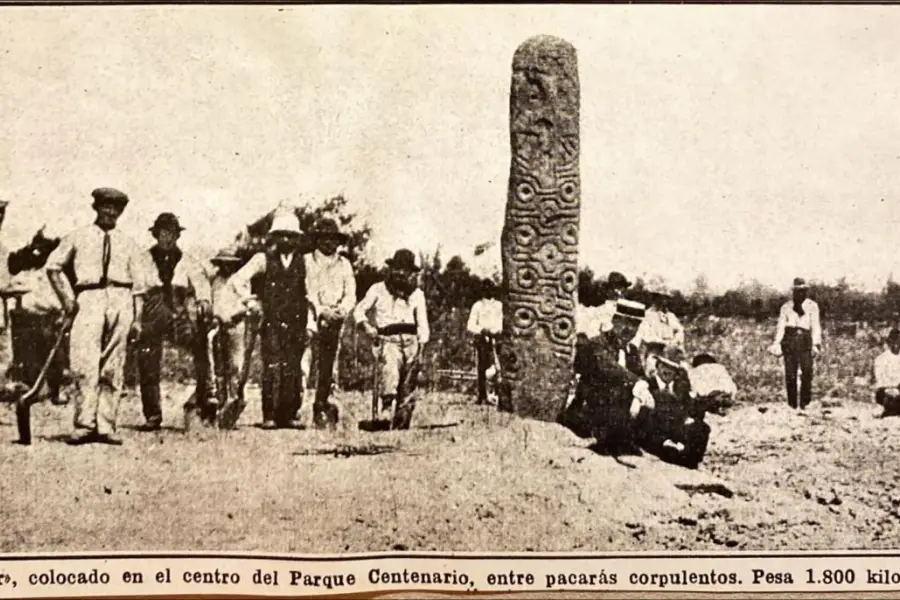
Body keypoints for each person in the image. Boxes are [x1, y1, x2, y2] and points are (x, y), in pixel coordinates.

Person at [45, 188, 146, 445]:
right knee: (84, 363)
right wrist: (67, 300)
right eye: (106, 207)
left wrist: (137, 319)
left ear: (121, 212)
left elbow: (140, 288)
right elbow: (53, 268)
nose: (110, 213)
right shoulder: (78, 237)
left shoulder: (129, 243)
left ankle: (105, 425)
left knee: (113, 366)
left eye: (116, 209)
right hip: (88, 298)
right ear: (97, 208)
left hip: (121, 298)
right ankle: (84, 424)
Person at [228, 211, 315, 430]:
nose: (286, 240)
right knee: (272, 365)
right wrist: (250, 302)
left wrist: (311, 323)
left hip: (297, 321)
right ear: (274, 237)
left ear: (297, 238)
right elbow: (238, 280)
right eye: (282, 235)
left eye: (291, 236)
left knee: (293, 366)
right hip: (272, 321)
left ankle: (290, 414)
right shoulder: (262, 259)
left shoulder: (306, 262)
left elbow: (312, 294)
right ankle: (270, 414)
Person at [133, 213, 214, 431]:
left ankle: (203, 401)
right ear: (156, 234)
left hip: (178, 311)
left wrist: (204, 302)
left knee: (200, 349)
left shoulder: (188, 260)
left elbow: (201, 284)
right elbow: (138, 292)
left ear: (178, 236)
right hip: (151, 310)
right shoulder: (143, 259)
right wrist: (138, 320)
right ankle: (152, 414)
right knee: (148, 361)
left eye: (173, 233)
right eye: (164, 233)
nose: (168, 238)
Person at [353, 248, 430, 430]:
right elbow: (359, 310)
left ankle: (402, 420)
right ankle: (386, 411)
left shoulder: (417, 294)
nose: (401, 273)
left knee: (409, 383)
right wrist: (367, 327)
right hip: (388, 340)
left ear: (411, 273)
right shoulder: (378, 289)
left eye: (406, 270)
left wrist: (421, 349)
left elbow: (423, 324)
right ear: (391, 269)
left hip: (411, 341)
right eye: (398, 269)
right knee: (390, 374)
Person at [564, 298, 654, 454]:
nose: (629, 329)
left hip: (621, 415)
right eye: (625, 322)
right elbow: (607, 367)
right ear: (615, 320)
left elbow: (641, 376)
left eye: (634, 325)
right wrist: (636, 386)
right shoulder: (596, 344)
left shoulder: (631, 351)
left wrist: (639, 397)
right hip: (592, 411)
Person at [304, 218, 355, 429]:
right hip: (311, 313)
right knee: (305, 360)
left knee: (330, 362)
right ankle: (299, 406)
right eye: (324, 238)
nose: (328, 243)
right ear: (317, 240)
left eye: (332, 239)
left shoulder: (344, 264)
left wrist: (341, 311)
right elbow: (307, 290)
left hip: (335, 317)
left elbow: (350, 293)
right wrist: (320, 311)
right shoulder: (307, 261)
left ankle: (324, 403)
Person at [634, 355, 711, 469]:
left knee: (702, 427)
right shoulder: (646, 384)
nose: (667, 371)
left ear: (676, 373)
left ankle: (690, 462)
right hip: (655, 429)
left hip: (676, 428)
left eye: (672, 369)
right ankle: (665, 449)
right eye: (663, 366)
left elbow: (690, 408)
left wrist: (689, 417)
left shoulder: (681, 387)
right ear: (657, 367)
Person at [768, 277, 823, 410]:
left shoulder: (812, 306)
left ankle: (805, 403)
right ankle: (791, 404)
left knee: (807, 371)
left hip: (805, 340)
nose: (800, 293)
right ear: (793, 292)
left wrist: (816, 344)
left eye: (803, 291)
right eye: (797, 291)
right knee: (790, 373)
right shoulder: (786, 307)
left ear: (806, 291)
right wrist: (777, 344)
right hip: (790, 340)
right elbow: (781, 327)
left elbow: (815, 326)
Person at [629, 289, 686, 377]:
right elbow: (646, 338)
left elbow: (680, 331)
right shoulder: (647, 315)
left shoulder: (670, 316)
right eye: (661, 298)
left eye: (666, 298)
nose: (664, 301)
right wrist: (664, 343)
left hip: (670, 354)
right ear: (655, 298)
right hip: (654, 354)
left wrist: (674, 342)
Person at [466, 278, 503, 405]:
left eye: (490, 289)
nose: (488, 292)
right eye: (485, 289)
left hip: (497, 338)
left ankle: (497, 394)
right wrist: (481, 330)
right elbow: (470, 325)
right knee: (481, 367)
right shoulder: (477, 306)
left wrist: (496, 331)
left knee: (498, 367)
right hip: (482, 339)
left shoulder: (498, 306)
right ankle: (482, 394)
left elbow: (501, 322)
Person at [874, 328, 900, 417]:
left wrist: (897, 388)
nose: (896, 344)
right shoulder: (881, 359)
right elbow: (880, 379)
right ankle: (885, 408)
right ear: (889, 342)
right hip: (886, 390)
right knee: (885, 397)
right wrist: (890, 389)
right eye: (893, 340)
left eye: (898, 341)